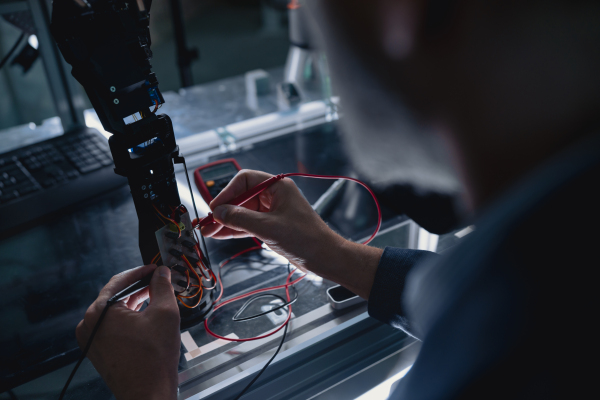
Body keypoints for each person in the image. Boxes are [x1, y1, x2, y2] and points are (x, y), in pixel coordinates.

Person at [76, 0, 600, 398]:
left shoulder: (489, 368)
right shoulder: (561, 260)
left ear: (400, 19)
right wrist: (333, 256)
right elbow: (481, 292)